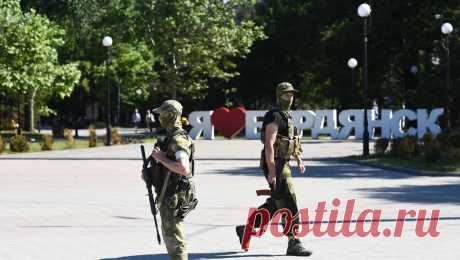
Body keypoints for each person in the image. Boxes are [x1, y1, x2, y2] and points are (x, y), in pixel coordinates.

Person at [235, 82, 312, 256]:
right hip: (275, 163)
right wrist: (271, 171)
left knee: (277, 203)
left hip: (283, 162)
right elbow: (270, 144)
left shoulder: (287, 115)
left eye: (292, 94)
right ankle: (293, 241)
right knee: (289, 199)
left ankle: (246, 229)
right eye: (286, 94)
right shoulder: (274, 115)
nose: (290, 97)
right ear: (279, 95)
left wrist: (298, 159)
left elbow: (290, 141)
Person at [148, 100, 198, 260]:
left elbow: (183, 168)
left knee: (175, 238)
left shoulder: (178, 140)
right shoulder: (170, 137)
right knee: (171, 234)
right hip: (169, 193)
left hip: (174, 195)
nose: (159, 118)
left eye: (161, 114)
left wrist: (161, 158)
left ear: (169, 115)